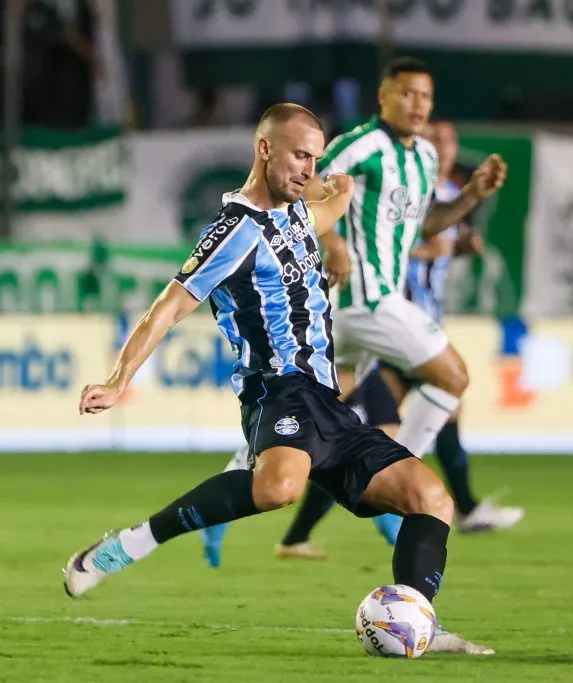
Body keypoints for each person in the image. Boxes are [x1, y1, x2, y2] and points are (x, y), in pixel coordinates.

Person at [62, 102, 492, 655]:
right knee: (278, 488)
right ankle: (122, 549)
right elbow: (167, 308)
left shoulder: (298, 212)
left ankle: (418, 621)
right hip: (276, 390)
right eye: (298, 156)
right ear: (264, 149)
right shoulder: (233, 232)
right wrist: (119, 380)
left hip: (328, 401)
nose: (307, 169)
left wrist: (339, 188)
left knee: (431, 498)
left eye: (314, 158)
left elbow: (334, 200)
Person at [200, 58, 510, 563]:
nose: (417, 105)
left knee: (311, 417)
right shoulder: (360, 145)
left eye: (425, 98)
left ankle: (231, 488)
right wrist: (334, 241)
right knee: (453, 377)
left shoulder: (425, 158)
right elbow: (307, 190)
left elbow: (426, 225)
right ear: (384, 97)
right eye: (406, 94)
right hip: (365, 299)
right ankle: (398, 476)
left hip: (354, 319)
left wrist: (472, 193)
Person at [272, 120, 524, 556]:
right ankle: (424, 493)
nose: (442, 145)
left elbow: (424, 227)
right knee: (443, 391)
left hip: (405, 322)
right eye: (436, 138)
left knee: (344, 415)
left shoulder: (428, 185)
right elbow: (384, 234)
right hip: (383, 317)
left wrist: (467, 212)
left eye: (449, 139)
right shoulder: (380, 173)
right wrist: (336, 242)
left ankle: (295, 524)